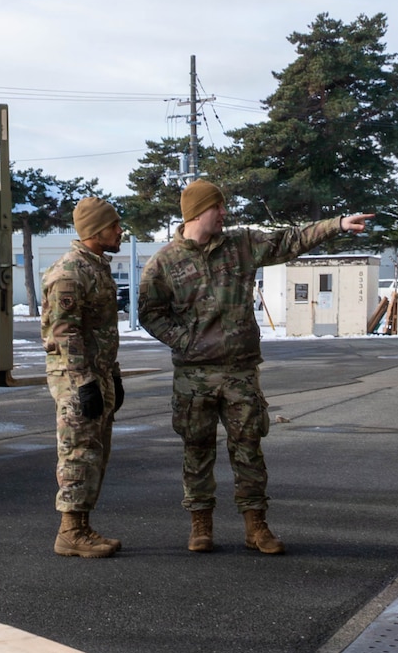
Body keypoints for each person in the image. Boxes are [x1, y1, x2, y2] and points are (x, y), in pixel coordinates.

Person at [137, 180, 373, 553]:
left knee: (248, 449)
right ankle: (200, 525)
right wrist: (185, 341)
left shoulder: (241, 245)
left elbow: (289, 240)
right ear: (199, 212)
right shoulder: (164, 262)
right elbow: (150, 312)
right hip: (194, 376)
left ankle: (256, 527)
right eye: (219, 208)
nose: (225, 214)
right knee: (196, 450)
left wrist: (336, 225)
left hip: (240, 371)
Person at [41, 196, 126, 558]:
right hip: (77, 378)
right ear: (95, 230)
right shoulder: (69, 272)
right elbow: (65, 333)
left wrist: (113, 374)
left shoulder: (95, 267)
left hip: (97, 373)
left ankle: (82, 526)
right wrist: (84, 381)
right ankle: (70, 532)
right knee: (77, 452)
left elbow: (99, 330)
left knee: (95, 454)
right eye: (114, 225)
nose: (120, 230)